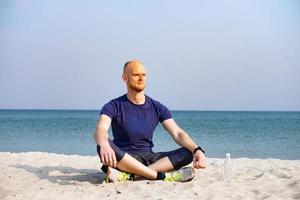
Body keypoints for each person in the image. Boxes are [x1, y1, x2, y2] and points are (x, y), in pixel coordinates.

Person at [94, 60, 206, 182]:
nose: (141, 78)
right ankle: (160, 176)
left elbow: (177, 133)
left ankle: (132, 176)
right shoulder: (113, 105)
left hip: (150, 158)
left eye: (144, 75)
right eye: (136, 75)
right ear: (124, 78)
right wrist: (104, 143)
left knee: (188, 151)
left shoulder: (157, 107)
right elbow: (101, 129)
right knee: (102, 145)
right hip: (125, 159)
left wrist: (197, 149)